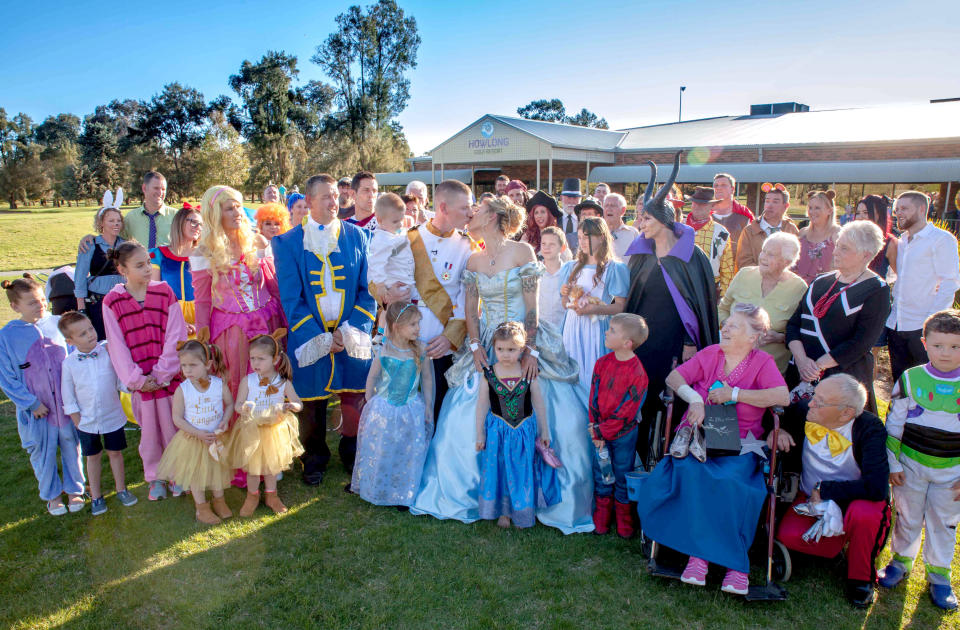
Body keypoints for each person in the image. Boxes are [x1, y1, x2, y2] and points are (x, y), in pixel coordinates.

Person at [412, 196, 594, 534]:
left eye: (476, 210)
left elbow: (532, 306)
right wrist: (475, 345)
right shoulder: (473, 258)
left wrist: (532, 350)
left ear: (494, 216)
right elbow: (469, 310)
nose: (471, 214)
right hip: (486, 342)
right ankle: (479, 497)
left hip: (524, 338)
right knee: (461, 419)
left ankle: (542, 497)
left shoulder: (522, 252)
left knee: (562, 417)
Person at [636, 304, 789, 596]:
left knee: (734, 483)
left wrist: (735, 394)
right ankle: (698, 557)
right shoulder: (711, 353)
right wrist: (695, 399)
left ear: (754, 337)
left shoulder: (762, 362)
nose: (726, 329)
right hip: (701, 439)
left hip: (740, 445)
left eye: (735, 326)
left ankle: (736, 566)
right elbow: (674, 378)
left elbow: (782, 396)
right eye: (727, 323)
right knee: (693, 473)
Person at [273, 173, 376, 486]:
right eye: (326, 197)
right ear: (309, 202)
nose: (335, 202)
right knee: (312, 401)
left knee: (354, 394)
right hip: (310, 334)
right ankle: (314, 458)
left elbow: (366, 290)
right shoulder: (287, 243)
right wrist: (319, 337)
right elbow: (292, 298)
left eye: (336, 195)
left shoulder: (357, 237)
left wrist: (350, 330)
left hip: (349, 334)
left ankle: (352, 453)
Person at [624, 155, 719, 457]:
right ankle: (639, 458)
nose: (641, 224)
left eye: (647, 219)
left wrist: (691, 342)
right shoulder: (641, 254)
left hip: (676, 342)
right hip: (643, 342)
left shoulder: (692, 257)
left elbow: (700, 305)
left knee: (676, 398)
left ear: (664, 221)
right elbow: (631, 298)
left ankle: (672, 455)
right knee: (643, 398)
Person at [775, 374, 890, 609]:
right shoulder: (802, 411)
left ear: (846, 412)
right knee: (788, 536)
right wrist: (778, 431)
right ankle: (836, 544)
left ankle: (861, 577)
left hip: (856, 498)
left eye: (820, 401)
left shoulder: (869, 428)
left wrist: (827, 489)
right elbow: (775, 417)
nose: (811, 403)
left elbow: (876, 487)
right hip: (809, 497)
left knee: (865, 515)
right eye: (815, 396)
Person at [879, 310, 960, 610]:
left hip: (952, 472)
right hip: (910, 466)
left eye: (955, 347)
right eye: (938, 345)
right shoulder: (911, 379)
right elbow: (894, 425)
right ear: (924, 343)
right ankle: (900, 562)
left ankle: (939, 576)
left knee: (944, 523)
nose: (946, 353)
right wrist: (894, 464)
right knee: (908, 516)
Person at [379, 180, 477, 421]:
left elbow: (468, 297)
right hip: (404, 339)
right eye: (465, 208)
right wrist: (386, 294)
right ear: (443, 207)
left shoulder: (468, 246)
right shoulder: (409, 238)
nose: (470, 213)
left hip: (441, 344)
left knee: (439, 408)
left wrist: (450, 337)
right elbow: (379, 279)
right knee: (399, 406)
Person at [102, 242, 188, 501]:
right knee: (149, 433)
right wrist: (137, 380)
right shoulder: (112, 302)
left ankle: (179, 474)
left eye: (147, 263)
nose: (147, 269)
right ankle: (155, 477)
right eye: (139, 265)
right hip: (142, 386)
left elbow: (176, 334)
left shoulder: (164, 292)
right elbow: (115, 345)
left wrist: (162, 374)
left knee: (174, 428)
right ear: (122, 269)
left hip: (168, 380)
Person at [0, 275, 84, 516]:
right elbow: (6, 378)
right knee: (42, 453)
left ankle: (75, 489)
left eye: (41, 300)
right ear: (15, 307)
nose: (40, 306)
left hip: (65, 406)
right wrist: (31, 403)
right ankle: (52, 495)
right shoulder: (7, 337)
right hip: (37, 413)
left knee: (71, 445)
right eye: (32, 303)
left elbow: (73, 357)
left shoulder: (58, 324)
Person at [191, 185, 284, 399]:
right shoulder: (204, 251)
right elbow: (203, 301)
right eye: (229, 209)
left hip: (267, 322)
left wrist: (285, 319)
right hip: (231, 332)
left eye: (238, 207)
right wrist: (203, 341)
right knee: (238, 386)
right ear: (215, 214)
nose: (237, 213)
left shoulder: (257, 241)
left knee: (270, 385)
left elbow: (273, 286)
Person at [786, 220, 890, 412]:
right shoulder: (820, 281)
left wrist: (817, 367)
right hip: (800, 371)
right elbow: (793, 325)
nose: (835, 252)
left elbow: (862, 342)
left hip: (840, 378)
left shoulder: (877, 289)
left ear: (865, 255)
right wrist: (801, 361)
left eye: (844, 248)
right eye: (837, 245)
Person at [352, 301, 434, 508]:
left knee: (406, 448)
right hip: (385, 407)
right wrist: (370, 401)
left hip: (410, 408)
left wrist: (428, 405)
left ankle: (403, 491)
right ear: (397, 326)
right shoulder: (384, 350)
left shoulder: (421, 350)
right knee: (382, 447)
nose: (418, 329)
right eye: (413, 325)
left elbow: (426, 380)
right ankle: (377, 486)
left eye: (418, 324)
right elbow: (372, 377)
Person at [475, 321, 557, 528]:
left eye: (511, 349)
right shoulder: (489, 374)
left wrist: (545, 430)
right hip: (498, 432)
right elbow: (481, 405)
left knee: (522, 471)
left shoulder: (528, 372)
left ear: (522, 350)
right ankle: (504, 512)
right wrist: (479, 435)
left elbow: (538, 402)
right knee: (500, 471)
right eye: (500, 349)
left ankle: (521, 510)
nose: (505, 354)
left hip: (523, 432)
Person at [58, 311, 137, 516]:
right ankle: (96, 497)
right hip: (87, 421)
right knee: (92, 457)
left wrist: (134, 385)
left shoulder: (108, 353)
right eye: (82, 334)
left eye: (91, 329)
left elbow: (120, 381)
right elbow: (68, 396)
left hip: (113, 416)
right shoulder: (69, 364)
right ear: (70, 341)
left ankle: (122, 489)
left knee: (116, 453)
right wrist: (77, 421)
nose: (90, 335)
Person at [156, 338, 235, 525]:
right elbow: (177, 418)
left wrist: (224, 420)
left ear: (207, 365)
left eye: (193, 365)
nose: (188, 370)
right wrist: (198, 433)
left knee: (217, 469)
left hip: (215, 438)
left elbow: (230, 404)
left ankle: (219, 500)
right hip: (193, 440)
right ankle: (202, 508)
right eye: (184, 365)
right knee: (196, 474)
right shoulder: (183, 390)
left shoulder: (218, 385)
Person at [885, 191, 960, 384]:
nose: (898, 213)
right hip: (897, 324)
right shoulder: (901, 242)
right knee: (901, 383)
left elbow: (950, 282)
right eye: (897, 209)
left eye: (904, 208)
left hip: (922, 326)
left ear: (921, 209)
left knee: (927, 384)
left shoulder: (941, 239)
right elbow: (897, 278)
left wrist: (933, 322)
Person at [227, 332, 304, 516]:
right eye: (252, 358)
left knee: (271, 467)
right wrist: (243, 408)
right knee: (253, 469)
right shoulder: (248, 381)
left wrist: (290, 405)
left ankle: (272, 496)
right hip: (252, 429)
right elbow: (238, 404)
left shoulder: (282, 382)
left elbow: (299, 404)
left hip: (273, 431)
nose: (255, 363)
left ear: (275, 359)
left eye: (261, 359)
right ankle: (252, 497)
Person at [589, 313, 649, 537]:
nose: (606, 331)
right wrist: (595, 426)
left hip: (624, 434)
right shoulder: (602, 363)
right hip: (600, 432)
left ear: (627, 343)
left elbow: (628, 411)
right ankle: (601, 518)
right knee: (602, 471)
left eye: (612, 330)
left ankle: (624, 521)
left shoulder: (638, 373)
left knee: (622, 473)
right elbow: (593, 397)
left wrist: (602, 430)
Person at [719, 232, 807, 372]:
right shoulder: (744, 275)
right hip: (728, 364)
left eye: (771, 254)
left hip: (769, 371)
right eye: (763, 251)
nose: (763, 257)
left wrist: (779, 338)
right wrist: (728, 325)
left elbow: (801, 331)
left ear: (786, 262)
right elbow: (722, 309)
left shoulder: (799, 288)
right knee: (717, 392)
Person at [559, 217, 629, 390]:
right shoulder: (571, 267)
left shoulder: (613, 268)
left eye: (587, 236)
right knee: (572, 374)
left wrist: (594, 309)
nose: (582, 241)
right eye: (580, 237)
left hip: (596, 328)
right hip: (572, 327)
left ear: (602, 237)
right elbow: (564, 304)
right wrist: (565, 296)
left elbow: (620, 307)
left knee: (592, 374)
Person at [74, 201, 126, 340]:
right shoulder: (90, 245)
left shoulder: (125, 245)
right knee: (102, 341)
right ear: (101, 223)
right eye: (111, 220)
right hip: (98, 302)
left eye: (118, 221)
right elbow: (80, 276)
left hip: (122, 302)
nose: (116, 224)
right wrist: (81, 308)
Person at [367, 193, 416, 338]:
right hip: (393, 282)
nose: (400, 224)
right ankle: (384, 336)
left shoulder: (393, 234)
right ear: (380, 220)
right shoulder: (381, 239)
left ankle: (382, 334)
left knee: (393, 311)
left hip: (401, 279)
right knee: (395, 312)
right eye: (395, 221)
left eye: (401, 219)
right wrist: (381, 285)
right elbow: (376, 263)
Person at [150, 205, 202, 336]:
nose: (198, 227)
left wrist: (200, 324)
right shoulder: (158, 255)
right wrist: (176, 322)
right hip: (169, 322)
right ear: (179, 222)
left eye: (201, 224)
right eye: (193, 222)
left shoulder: (205, 256)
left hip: (201, 324)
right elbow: (154, 296)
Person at [735, 183, 800, 270]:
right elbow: (743, 262)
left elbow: (797, 260)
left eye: (775, 202)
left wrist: (781, 276)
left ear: (786, 206)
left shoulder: (791, 230)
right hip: (757, 281)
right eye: (767, 201)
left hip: (784, 281)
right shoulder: (750, 231)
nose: (769, 205)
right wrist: (766, 274)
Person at [684, 187, 734, 295]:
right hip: (681, 285)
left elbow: (727, 270)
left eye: (703, 203)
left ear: (712, 206)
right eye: (695, 202)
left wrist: (723, 297)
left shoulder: (721, 234)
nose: (697, 206)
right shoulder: (679, 228)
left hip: (708, 289)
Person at [794, 190, 842, 284]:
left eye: (817, 208)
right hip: (799, 289)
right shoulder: (802, 233)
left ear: (829, 210)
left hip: (825, 290)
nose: (812, 212)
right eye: (810, 208)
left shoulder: (837, 234)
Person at [123, 171, 176, 249]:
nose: (160, 192)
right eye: (156, 188)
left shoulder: (176, 216)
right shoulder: (130, 218)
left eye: (163, 189)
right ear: (144, 188)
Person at [710, 173, 752, 259]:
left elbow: (750, 245)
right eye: (716, 185)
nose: (718, 188)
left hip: (735, 265)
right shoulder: (705, 213)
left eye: (723, 185)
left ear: (732, 189)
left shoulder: (744, 216)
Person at [854, 194, 897, 279]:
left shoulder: (890, 243)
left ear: (879, 215)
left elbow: (900, 275)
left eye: (866, 213)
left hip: (876, 290)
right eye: (858, 213)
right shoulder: (850, 238)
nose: (860, 217)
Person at [537, 227, 568, 330]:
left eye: (552, 244)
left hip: (563, 330)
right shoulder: (535, 273)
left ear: (562, 248)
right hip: (541, 331)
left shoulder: (569, 273)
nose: (546, 248)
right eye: (543, 244)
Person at [521, 190, 563, 258]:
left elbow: (566, 259)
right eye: (536, 213)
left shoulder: (558, 235)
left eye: (543, 212)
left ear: (549, 215)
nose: (539, 216)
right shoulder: (527, 236)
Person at [602, 193, 640, 260]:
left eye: (613, 206)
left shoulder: (632, 233)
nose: (609, 209)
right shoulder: (596, 233)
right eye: (606, 206)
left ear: (623, 210)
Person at [559, 177, 582, 252]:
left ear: (580, 199)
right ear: (561, 198)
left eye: (575, 198)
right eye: (568, 197)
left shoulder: (584, 219)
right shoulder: (555, 218)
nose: (571, 202)